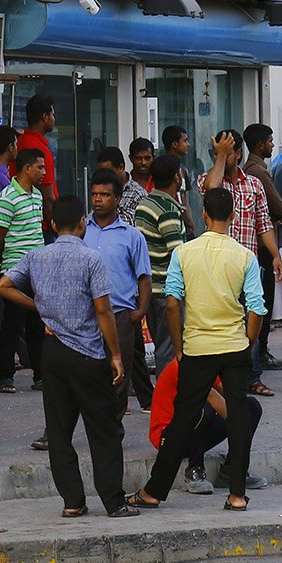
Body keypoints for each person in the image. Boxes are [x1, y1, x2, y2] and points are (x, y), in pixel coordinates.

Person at [0, 195, 133, 518]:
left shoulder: (36, 256)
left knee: (58, 431)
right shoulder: (91, 259)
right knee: (103, 429)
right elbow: (103, 310)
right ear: (83, 224)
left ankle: (72, 501)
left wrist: (39, 307)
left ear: (53, 225)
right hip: (87, 352)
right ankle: (113, 501)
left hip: (52, 350)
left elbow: (2, 286)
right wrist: (115, 354)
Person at [129, 187, 267, 508]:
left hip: (197, 346)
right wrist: (248, 342)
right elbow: (256, 308)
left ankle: (153, 492)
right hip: (234, 345)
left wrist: (178, 348)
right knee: (239, 415)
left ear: (204, 214)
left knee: (183, 419)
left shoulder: (184, 253)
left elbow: (172, 303)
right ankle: (236, 495)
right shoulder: (245, 256)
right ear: (232, 216)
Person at [204, 129, 280, 395]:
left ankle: (252, 376)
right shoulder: (211, 179)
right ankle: (222, 379)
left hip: (248, 265)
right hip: (216, 267)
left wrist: (276, 255)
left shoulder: (254, 185)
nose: (221, 158)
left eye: (226, 153)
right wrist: (220, 157)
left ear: (238, 153)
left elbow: (264, 224)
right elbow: (210, 189)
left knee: (252, 318)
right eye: (216, 153)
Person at [84, 167, 154, 413]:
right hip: (87, 315)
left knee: (118, 376)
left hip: (120, 315)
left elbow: (144, 277)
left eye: (104, 195)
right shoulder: (82, 230)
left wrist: (140, 311)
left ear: (117, 199)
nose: (98, 200)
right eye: (94, 194)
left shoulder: (132, 236)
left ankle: (113, 428)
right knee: (87, 375)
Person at [0, 145, 47, 394]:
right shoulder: (7, 198)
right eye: (40, 167)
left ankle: (40, 375)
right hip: (15, 270)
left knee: (37, 324)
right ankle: (5, 376)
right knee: (12, 324)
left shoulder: (37, 196)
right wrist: (0, 263)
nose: (44, 172)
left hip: (38, 269)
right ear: (27, 168)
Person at [148, 357, 234, 496]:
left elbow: (229, 393)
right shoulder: (185, 364)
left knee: (251, 406)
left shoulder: (210, 361)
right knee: (204, 410)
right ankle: (194, 470)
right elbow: (212, 396)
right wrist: (240, 423)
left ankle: (231, 470)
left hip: (190, 432)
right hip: (167, 437)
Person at [134, 155, 187, 369]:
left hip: (149, 289)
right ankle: (166, 389)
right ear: (176, 178)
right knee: (169, 349)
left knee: (161, 345)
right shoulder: (167, 210)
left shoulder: (144, 205)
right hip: (168, 290)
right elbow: (177, 254)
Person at [243, 123, 282, 374]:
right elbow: (278, 208)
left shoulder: (255, 169)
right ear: (260, 145)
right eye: (270, 141)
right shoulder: (258, 172)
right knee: (262, 301)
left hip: (260, 244)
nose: (272, 145)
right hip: (261, 247)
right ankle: (260, 353)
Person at [17, 95, 59, 203]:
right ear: (45, 117)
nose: (54, 119)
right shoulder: (42, 151)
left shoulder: (18, 142)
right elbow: (48, 197)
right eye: (52, 115)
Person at [124, 138, 155, 223]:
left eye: (147, 158)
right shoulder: (125, 184)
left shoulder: (160, 182)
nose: (143, 163)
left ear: (153, 158)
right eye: (138, 158)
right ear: (131, 158)